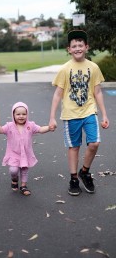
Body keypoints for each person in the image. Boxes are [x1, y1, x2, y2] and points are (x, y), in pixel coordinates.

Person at [49, 30, 109, 196]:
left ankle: (85, 171)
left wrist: (104, 114)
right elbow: (57, 94)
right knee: (74, 147)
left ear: (86, 47)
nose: (77, 48)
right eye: (74, 46)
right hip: (70, 114)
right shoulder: (65, 69)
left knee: (94, 143)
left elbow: (97, 92)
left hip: (89, 111)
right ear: (69, 49)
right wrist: (52, 117)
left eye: (80, 45)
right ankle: (74, 178)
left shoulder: (93, 67)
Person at [0, 102, 51, 196]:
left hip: (25, 153)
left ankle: (23, 186)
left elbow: (40, 129)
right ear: (13, 115)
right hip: (13, 153)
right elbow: (0, 130)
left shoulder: (30, 125)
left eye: (24, 114)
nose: (21, 116)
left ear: (27, 114)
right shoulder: (9, 126)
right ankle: (14, 179)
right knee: (13, 170)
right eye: (18, 114)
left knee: (24, 169)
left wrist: (49, 128)